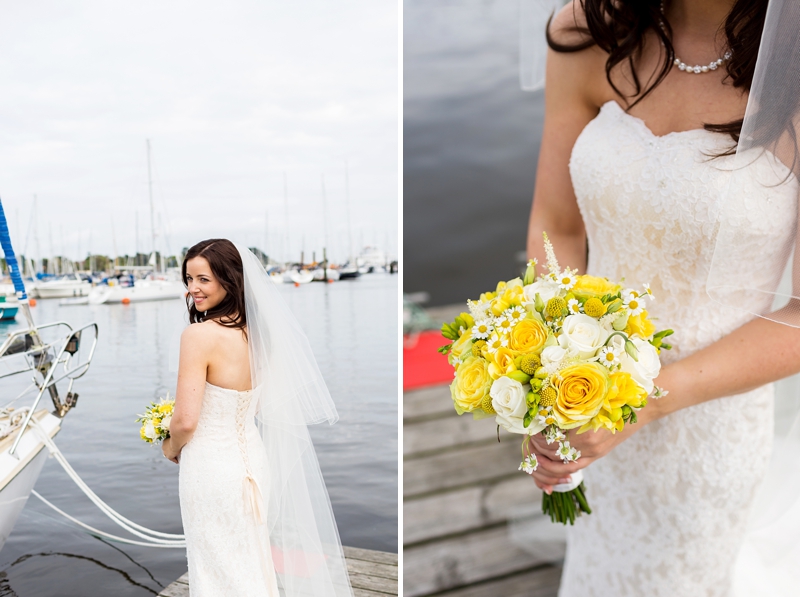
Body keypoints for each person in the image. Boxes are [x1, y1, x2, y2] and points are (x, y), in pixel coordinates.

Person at [524, 1, 800, 595]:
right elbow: (558, 226)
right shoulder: (585, 31)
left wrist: (641, 403)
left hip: (710, 427)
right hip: (585, 401)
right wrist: (545, 372)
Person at [162, 239, 353, 597]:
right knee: (249, 560)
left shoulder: (199, 336)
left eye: (203, 279)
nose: (192, 289)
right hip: (252, 460)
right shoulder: (260, 335)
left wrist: (169, 446)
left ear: (229, 279)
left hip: (210, 469)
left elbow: (186, 422)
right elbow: (260, 405)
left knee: (215, 566)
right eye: (188, 279)